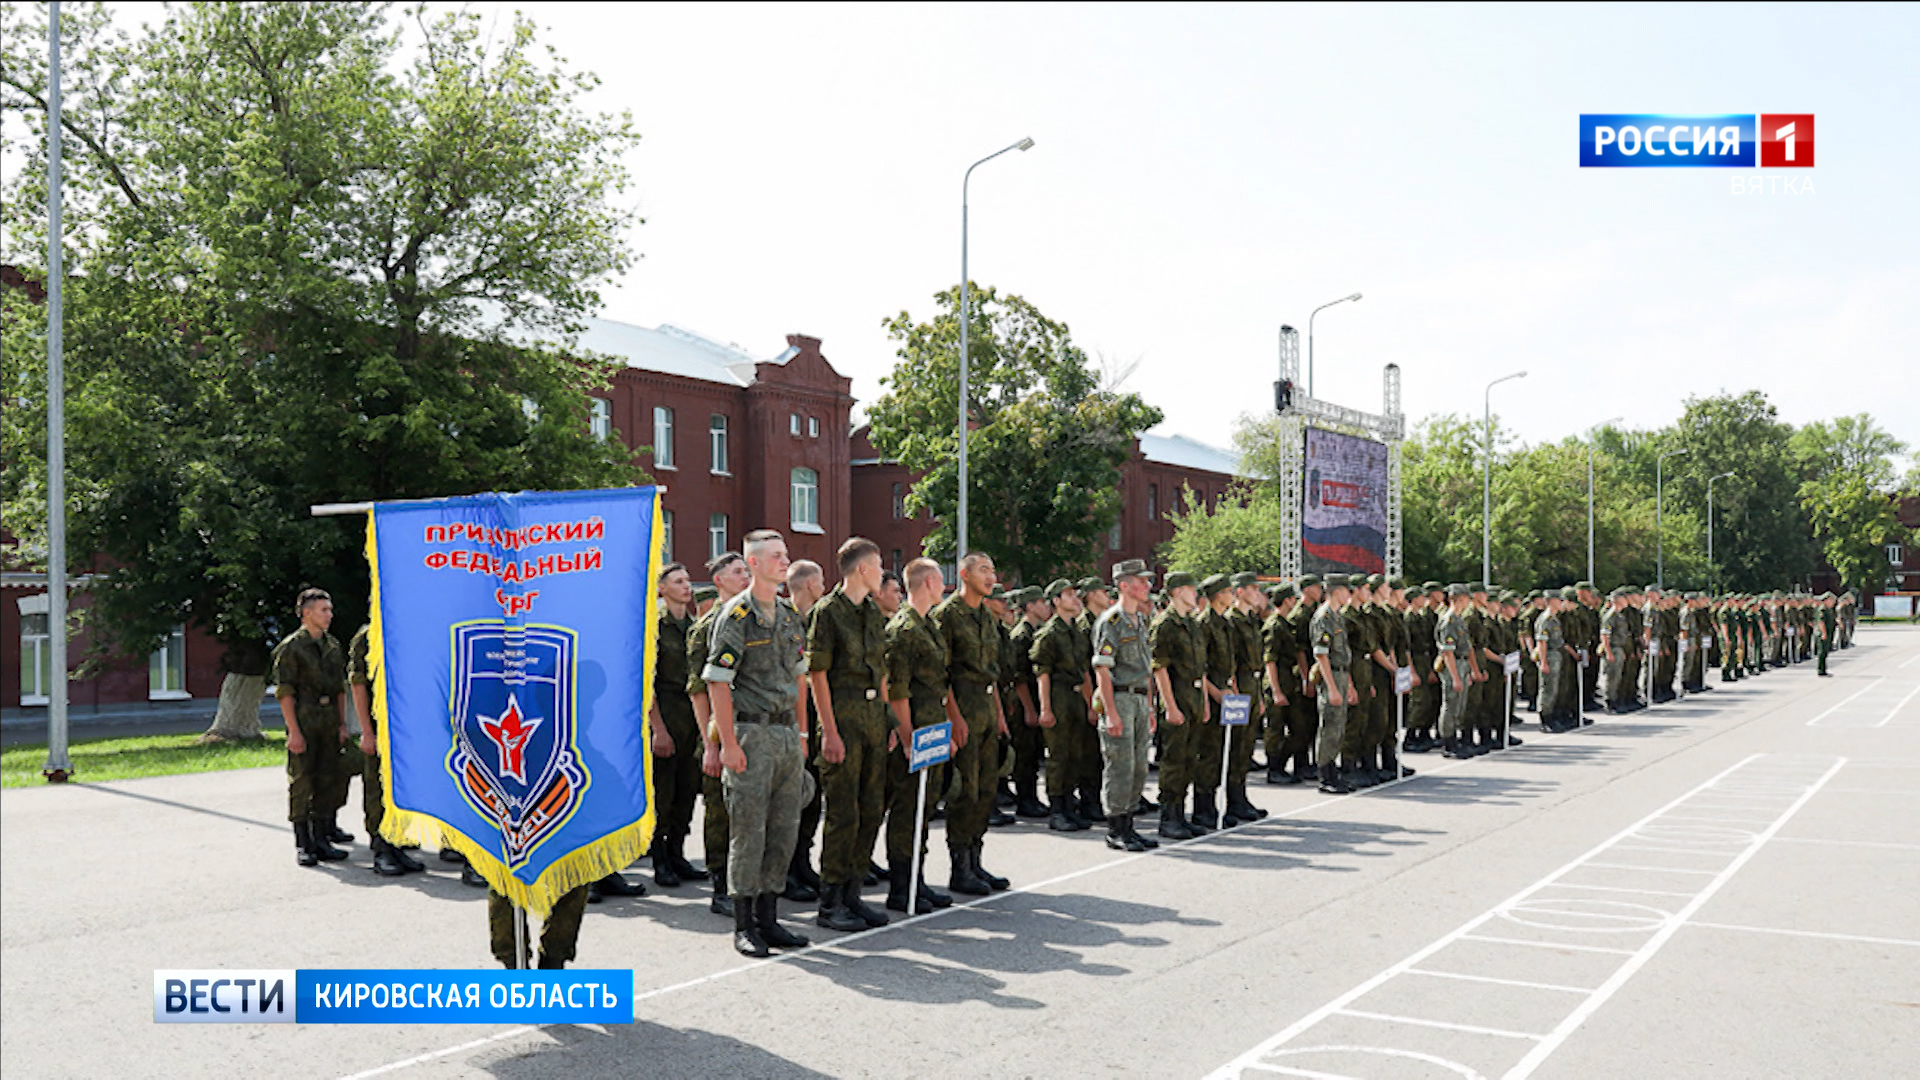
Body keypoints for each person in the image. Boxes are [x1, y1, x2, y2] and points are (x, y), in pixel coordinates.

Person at [706, 529, 813, 957]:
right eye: (775, 556)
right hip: (751, 733)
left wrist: (802, 733)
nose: (784, 562)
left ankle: (770, 918)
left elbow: (800, 678)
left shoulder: (788, 615)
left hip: (785, 734)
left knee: (784, 829)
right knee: (748, 832)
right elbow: (717, 682)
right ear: (753, 563)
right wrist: (728, 743)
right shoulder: (736, 615)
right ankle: (744, 924)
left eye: (785, 555)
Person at [806, 538, 892, 933]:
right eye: (878, 565)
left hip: (873, 720)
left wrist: (887, 720)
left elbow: (881, 670)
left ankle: (854, 894)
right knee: (843, 814)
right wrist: (829, 731)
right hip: (843, 719)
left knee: (871, 809)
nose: (882, 573)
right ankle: (831, 901)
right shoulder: (828, 612)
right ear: (862, 569)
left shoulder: (872, 611)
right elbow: (817, 674)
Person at [882, 558, 958, 914]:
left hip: (933, 727)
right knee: (908, 808)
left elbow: (937, 685)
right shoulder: (904, 629)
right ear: (928, 582)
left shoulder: (929, 625)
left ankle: (918, 879)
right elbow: (897, 690)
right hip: (915, 731)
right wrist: (907, 737)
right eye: (940, 580)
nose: (944, 586)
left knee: (925, 807)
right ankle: (902, 887)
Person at [932, 552, 1012, 896]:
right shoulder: (947, 615)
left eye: (992, 570)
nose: (991, 577)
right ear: (964, 575)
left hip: (986, 708)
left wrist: (1000, 717)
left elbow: (991, 674)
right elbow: (942, 674)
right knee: (964, 790)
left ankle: (976, 860)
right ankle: (959, 868)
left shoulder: (986, 616)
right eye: (983, 570)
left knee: (985, 790)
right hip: (962, 706)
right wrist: (954, 718)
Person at [691, 551, 751, 917]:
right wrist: (710, 747)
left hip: (751, 731)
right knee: (720, 813)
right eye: (737, 572)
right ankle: (720, 887)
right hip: (718, 734)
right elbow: (699, 691)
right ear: (719, 581)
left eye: (746, 570)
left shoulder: (750, 618)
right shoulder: (708, 626)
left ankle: (746, 886)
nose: (745, 576)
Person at [275, 588, 352, 867]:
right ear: (307, 613)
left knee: (327, 777)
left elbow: (339, 689)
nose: (329, 615)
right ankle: (303, 843)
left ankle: (322, 839)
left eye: (330, 610)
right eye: (323, 610)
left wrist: (342, 724)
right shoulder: (291, 647)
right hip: (305, 719)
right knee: (302, 780)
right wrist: (294, 732)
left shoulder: (332, 645)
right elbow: (285, 692)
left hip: (328, 719)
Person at [346, 623, 424, 877]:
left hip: (406, 728)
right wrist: (367, 731)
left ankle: (397, 844)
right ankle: (381, 849)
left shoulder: (407, 630)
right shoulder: (368, 635)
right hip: (380, 726)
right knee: (377, 787)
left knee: (402, 788)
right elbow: (358, 685)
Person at [647, 563, 708, 888]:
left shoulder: (695, 626)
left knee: (686, 791)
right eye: (678, 581)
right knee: (663, 793)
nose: (687, 586)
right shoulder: (655, 626)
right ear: (662, 589)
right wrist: (658, 728)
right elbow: (647, 684)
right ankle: (660, 860)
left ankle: (678, 854)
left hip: (692, 718)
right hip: (667, 713)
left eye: (687, 580)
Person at [1092, 560, 1159, 852]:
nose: (1147, 586)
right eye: (1140, 581)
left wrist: (1150, 707)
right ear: (1123, 585)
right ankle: (1116, 829)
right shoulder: (1111, 621)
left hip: (1139, 699)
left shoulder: (1140, 620)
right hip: (1119, 698)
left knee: (1139, 767)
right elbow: (1102, 669)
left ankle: (1129, 824)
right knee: (1120, 766)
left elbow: (1147, 669)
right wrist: (1111, 713)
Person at [1032, 579, 1095, 833]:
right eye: (1068, 595)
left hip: (1077, 698)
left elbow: (1084, 671)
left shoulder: (1077, 632)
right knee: (1058, 755)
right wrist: (1045, 709)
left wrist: (1091, 704)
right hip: (1059, 697)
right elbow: (1043, 674)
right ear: (1056, 601)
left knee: (1075, 754)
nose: (1075, 598)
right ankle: (1057, 809)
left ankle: (1069, 805)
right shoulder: (1049, 634)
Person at [1151, 572, 1210, 838]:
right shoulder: (1165, 624)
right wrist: (1170, 706)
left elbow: (1201, 669)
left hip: (1194, 697)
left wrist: (1204, 702)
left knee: (1189, 759)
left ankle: (1181, 815)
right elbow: (1160, 668)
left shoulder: (1192, 623)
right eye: (1190, 588)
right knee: (1173, 761)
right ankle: (1168, 818)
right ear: (1176, 591)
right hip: (1177, 696)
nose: (1195, 593)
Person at [783, 560, 829, 903]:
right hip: (787, 720)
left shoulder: (817, 620)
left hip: (811, 719)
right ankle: (784, 872)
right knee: (788, 801)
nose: (824, 586)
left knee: (811, 797)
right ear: (810, 584)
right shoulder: (783, 619)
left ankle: (802, 862)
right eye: (821, 580)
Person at [1223, 572, 1269, 823]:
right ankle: (1232, 800)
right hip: (1238, 687)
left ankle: (1240, 797)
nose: (1257, 593)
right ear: (1239, 591)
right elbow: (1229, 659)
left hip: (1251, 685)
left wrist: (1258, 696)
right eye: (1253, 589)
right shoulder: (1232, 621)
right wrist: (1235, 692)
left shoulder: (1251, 619)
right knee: (1236, 746)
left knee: (1246, 746)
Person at [1192, 574, 1236, 828]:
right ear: (1218, 595)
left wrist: (1232, 689)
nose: (1232, 595)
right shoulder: (1204, 624)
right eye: (1229, 591)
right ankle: (1203, 807)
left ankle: (1215, 805)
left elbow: (1228, 664)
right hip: (1210, 695)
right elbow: (1200, 668)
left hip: (1226, 693)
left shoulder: (1224, 622)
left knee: (1220, 751)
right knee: (1207, 753)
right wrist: (1215, 693)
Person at [1007, 587, 1054, 820]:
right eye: (1041, 602)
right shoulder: (1021, 635)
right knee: (1024, 754)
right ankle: (1025, 800)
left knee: (1034, 752)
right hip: (1024, 702)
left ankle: (1032, 798)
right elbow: (1019, 678)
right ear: (1030, 606)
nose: (1046, 607)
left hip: (1035, 698)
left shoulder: (1036, 631)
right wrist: (1029, 709)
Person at [1309, 575, 1359, 792]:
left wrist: (1349, 685)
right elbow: (1321, 655)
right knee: (1329, 727)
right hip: (1331, 677)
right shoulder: (1324, 617)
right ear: (1337, 591)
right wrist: (1331, 688)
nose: (1349, 595)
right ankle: (1325, 776)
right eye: (1347, 590)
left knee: (1338, 727)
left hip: (1341, 674)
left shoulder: (1337, 616)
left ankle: (1333, 772)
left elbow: (1343, 656)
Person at [1261, 583, 1302, 783]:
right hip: (1277, 682)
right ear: (1287, 600)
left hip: (1288, 680)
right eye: (1293, 599)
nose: (1295, 602)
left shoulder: (1286, 623)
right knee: (1275, 728)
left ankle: (1282, 763)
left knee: (1299, 728)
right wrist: (1276, 690)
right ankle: (1274, 769)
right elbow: (1270, 660)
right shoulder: (1274, 625)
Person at [1435, 584, 1476, 758]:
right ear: (1460, 599)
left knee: (1459, 706)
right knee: (1450, 705)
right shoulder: (1449, 621)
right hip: (1453, 665)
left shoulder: (1459, 619)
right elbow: (1447, 652)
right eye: (1467, 599)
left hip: (1461, 664)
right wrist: (1455, 677)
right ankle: (1448, 743)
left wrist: (1467, 672)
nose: (1468, 602)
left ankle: (1454, 740)